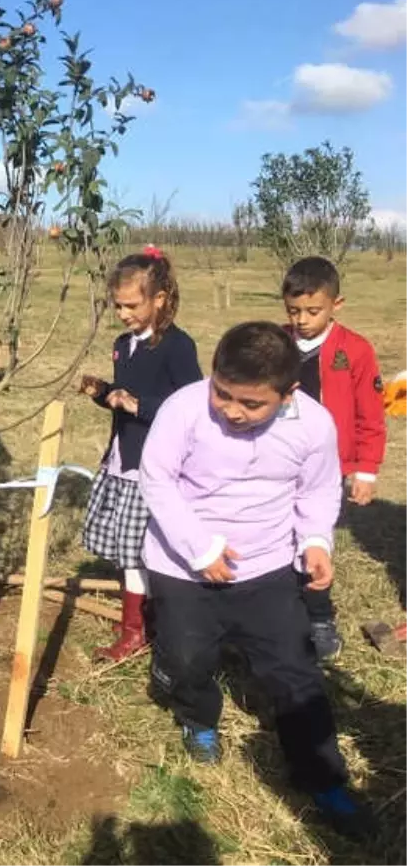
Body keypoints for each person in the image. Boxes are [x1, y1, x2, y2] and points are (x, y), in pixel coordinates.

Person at [140, 322, 367, 837]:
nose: (232, 411)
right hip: (182, 565)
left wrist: (315, 541)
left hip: (265, 567)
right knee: (188, 657)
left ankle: (324, 778)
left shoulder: (314, 426)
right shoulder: (184, 409)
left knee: (296, 673)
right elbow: (158, 480)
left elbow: (317, 491)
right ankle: (198, 718)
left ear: (290, 394)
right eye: (223, 393)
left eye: (250, 403)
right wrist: (200, 548)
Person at [79, 246, 201, 661]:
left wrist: (139, 405)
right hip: (123, 457)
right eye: (117, 306)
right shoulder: (123, 344)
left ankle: (138, 630)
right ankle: (138, 619)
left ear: (160, 299)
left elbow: (190, 405)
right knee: (127, 547)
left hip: (153, 464)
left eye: (131, 305)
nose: (123, 314)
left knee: (140, 549)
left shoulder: (177, 347)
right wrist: (103, 393)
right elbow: (124, 395)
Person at [281, 255, 386, 661]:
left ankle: (321, 618)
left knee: (313, 539)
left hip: (327, 467)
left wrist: (366, 469)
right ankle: (283, 614)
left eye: (313, 311)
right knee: (279, 537)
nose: (302, 319)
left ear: (335, 305)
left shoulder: (355, 351)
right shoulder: (277, 343)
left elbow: (370, 414)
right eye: (294, 311)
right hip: (280, 460)